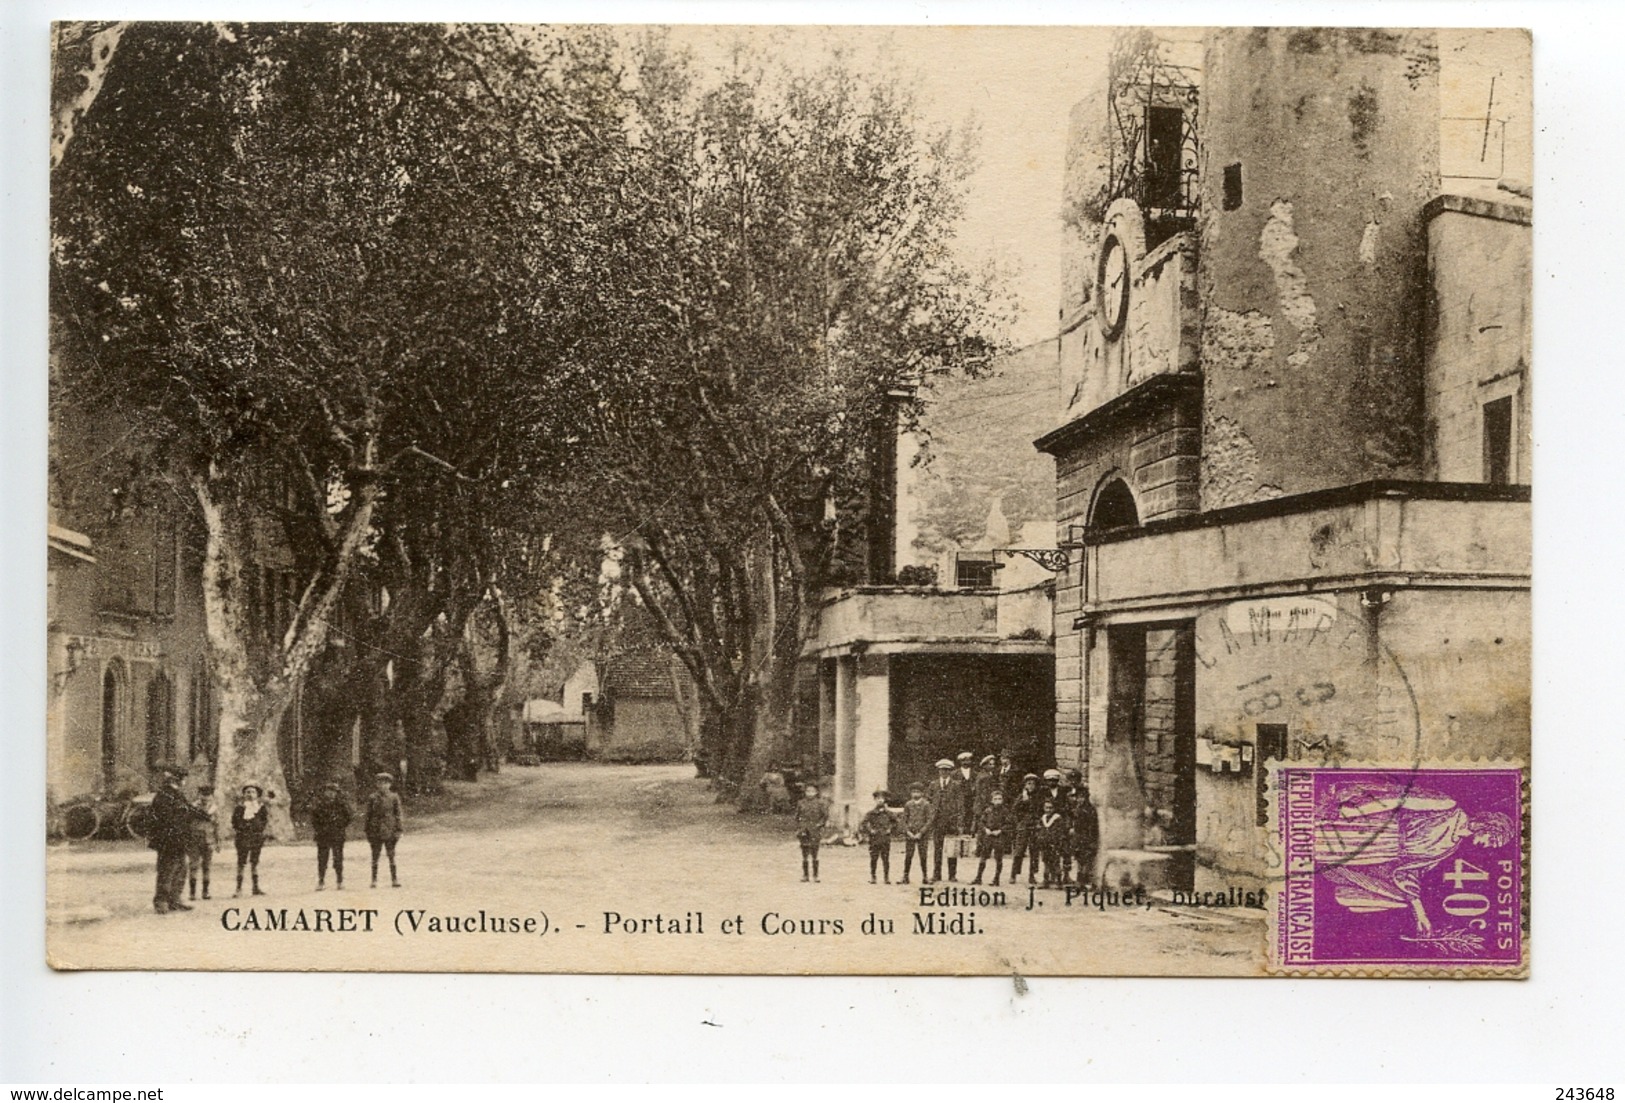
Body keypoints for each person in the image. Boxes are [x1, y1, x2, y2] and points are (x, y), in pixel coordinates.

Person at [1313, 783, 1515, 937]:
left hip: (1376, 852)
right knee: (1312, 835)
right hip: (1370, 827)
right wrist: (1354, 810)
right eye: (1492, 840)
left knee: (1312, 855)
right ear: (1488, 827)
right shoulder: (1448, 807)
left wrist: (1420, 914)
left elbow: (1409, 872)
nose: (1488, 846)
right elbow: (1397, 799)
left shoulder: (1450, 848)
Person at [148, 764, 206, 913]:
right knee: (167, 869)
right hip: (168, 839)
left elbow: (187, 809)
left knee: (181, 868)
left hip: (178, 838)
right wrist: (187, 813)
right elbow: (168, 817)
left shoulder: (176, 794)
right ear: (178, 779)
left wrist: (203, 814)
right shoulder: (164, 795)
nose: (185, 781)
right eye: (184, 778)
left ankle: (174, 900)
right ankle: (161, 902)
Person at [310, 779, 353, 891]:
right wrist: (320, 829)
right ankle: (321, 881)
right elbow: (314, 819)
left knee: (338, 858)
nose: (331, 793)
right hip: (323, 835)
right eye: (328, 791)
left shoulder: (341, 804)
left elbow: (348, 816)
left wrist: (340, 826)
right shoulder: (319, 804)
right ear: (324, 792)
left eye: (333, 791)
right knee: (322, 859)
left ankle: (339, 880)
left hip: (337, 834)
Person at [927, 758, 965, 884]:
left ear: (950, 772)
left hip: (951, 821)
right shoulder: (933, 785)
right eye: (942, 770)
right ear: (938, 771)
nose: (944, 772)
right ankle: (936, 874)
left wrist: (959, 822)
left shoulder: (956, 785)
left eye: (946, 770)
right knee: (937, 849)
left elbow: (960, 805)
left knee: (951, 849)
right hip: (937, 821)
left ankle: (952, 875)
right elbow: (929, 801)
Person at [365, 772, 404, 888]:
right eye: (380, 783)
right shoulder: (372, 798)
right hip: (375, 829)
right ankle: (374, 880)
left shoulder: (394, 797)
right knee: (375, 855)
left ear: (390, 785)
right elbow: (368, 815)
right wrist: (367, 830)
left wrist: (399, 829)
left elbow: (398, 814)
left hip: (390, 829)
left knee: (391, 855)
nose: (383, 786)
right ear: (377, 785)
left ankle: (394, 879)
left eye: (386, 783)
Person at [231, 783, 270, 897]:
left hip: (256, 838)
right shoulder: (239, 808)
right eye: (247, 792)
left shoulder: (261, 808)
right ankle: (238, 888)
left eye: (253, 792)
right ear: (244, 794)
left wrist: (258, 829)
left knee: (254, 862)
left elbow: (264, 821)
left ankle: (255, 887)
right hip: (243, 837)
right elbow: (234, 822)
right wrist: (243, 828)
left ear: (257, 795)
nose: (250, 794)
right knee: (241, 862)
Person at [970, 790, 1011, 886]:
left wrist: (1000, 831)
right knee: (983, 857)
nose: (997, 801)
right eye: (995, 799)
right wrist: (986, 829)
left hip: (999, 837)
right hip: (988, 836)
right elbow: (981, 822)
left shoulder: (1005, 811)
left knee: (998, 858)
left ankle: (996, 879)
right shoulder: (988, 810)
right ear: (992, 800)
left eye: (1000, 799)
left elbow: (1009, 824)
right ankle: (978, 878)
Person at [185, 783, 218, 901]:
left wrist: (217, 842)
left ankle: (205, 891)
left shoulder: (214, 808)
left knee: (207, 866)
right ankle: (192, 892)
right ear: (199, 795)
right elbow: (187, 824)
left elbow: (216, 825)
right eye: (203, 794)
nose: (205, 797)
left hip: (208, 840)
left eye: (208, 795)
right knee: (193, 865)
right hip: (194, 839)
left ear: (211, 796)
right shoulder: (193, 807)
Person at [1068, 773, 1100, 889]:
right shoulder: (1078, 808)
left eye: (1082, 797)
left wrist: (1092, 840)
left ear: (1086, 797)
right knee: (1079, 859)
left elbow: (1092, 826)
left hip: (1086, 837)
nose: (1080, 800)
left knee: (1086, 859)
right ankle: (1079, 880)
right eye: (1079, 797)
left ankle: (1083, 880)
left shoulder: (1089, 810)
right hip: (1078, 837)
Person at [1009, 773, 1043, 884]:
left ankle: (1032, 875)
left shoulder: (1039, 797)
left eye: (1033, 784)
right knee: (1019, 851)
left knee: (1034, 852)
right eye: (1029, 784)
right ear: (1025, 785)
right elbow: (1014, 811)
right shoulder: (1021, 797)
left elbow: (1042, 811)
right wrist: (1019, 822)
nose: (1031, 786)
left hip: (1035, 826)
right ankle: (1013, 874)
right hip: (1023, 827)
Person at [858, 790, 896, 884]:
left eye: (882, 798)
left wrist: (890, 829)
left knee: (886, 859)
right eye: (878, 798)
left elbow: (896, 823)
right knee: (873, 858)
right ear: (875, 800)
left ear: (884, 800)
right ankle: (873, 877)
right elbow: (863, 823)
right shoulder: (871, 813)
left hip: (885, 839)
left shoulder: (889, 813)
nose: (880, 800)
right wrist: (870, 830)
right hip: (874, 839)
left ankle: (886, 878)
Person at [898, 782, 933, 885]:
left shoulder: (926, 805)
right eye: (913, 792)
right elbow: (904, 820)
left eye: (918, 792)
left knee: (923, 856)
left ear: (922, 793)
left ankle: (925, 876)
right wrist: (908, 832)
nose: (915, 794)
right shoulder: (908, 804)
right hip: (910, 834)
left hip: (922, 835)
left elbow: (929, 821)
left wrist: (921, 833)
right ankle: (905, 876)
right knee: (908, 856)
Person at [794, 783, 829, 882]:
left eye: (812, 791)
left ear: (816, 792)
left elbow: (825, 816)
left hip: (815, 830)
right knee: (804, 853)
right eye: (808, 791)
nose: (810, 793)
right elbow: (797, 816)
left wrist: (819, 825)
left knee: (814, 853)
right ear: (805, 792)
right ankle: (805, 875)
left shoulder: (820, 803)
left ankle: (815, 875)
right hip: (803, 830)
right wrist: (800, 827)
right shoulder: (801, 803)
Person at [1037, 798, 1068, 888]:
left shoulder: (1057, 819)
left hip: (1055, 844)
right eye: (1046, 808)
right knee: (1046, 862)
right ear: (1043, 808)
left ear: (1054, 809)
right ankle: (1046, 881)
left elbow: (1059, 832)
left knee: (1056, 863)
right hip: (1045, 844)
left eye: (1050, 808)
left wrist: (1055, 842)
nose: (1048, 810)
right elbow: (1041, 830)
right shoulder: (1043, 818)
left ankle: (1059, 882)